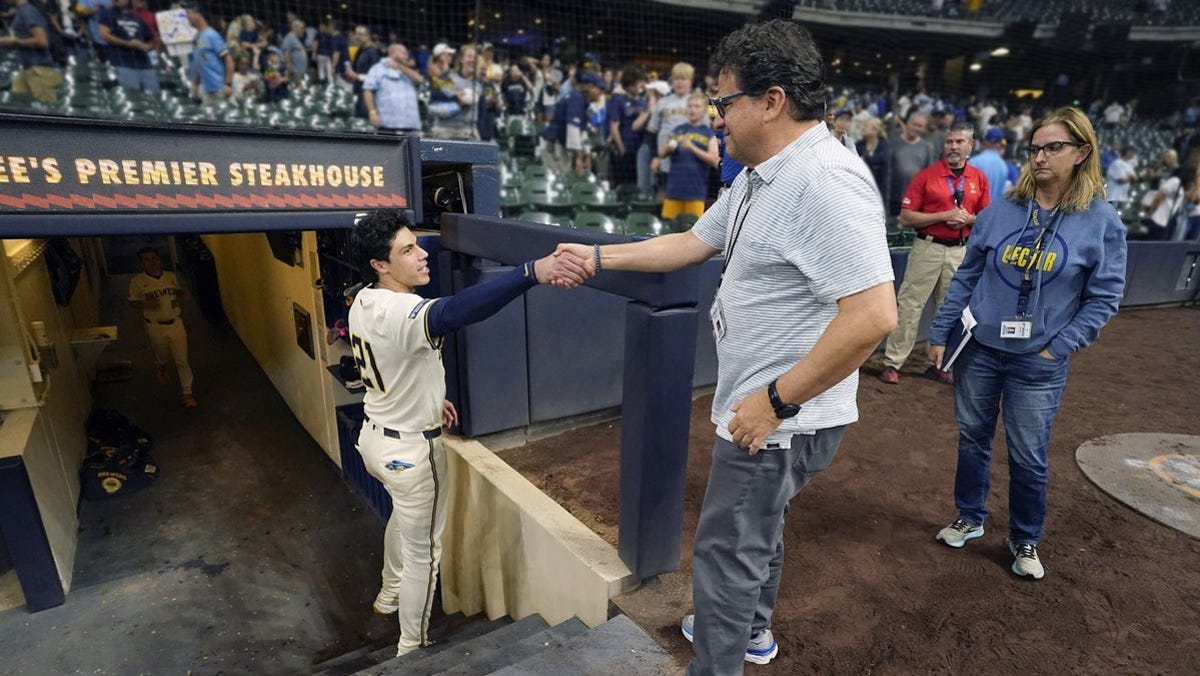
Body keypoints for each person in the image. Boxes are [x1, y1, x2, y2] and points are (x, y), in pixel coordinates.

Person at [554, 20, 897, 674]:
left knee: (726, 552)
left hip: (778, 418)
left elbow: (874, 315)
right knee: (755, 534)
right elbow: (689, 244)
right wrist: (597, 254)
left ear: (771, 102)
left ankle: (719, 660)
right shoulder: (762, 173)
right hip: (773, 411)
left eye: (724, 102)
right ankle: (752, 633)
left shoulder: (824, 179)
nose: (715, 117)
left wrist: (773, 403)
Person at [346, 209, 588, 658]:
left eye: (416, 243)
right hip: (411, 452)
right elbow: (457, 312)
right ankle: (410, 649)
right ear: (381, 265)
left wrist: (428, 396)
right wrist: (531, 272)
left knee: (401, 516)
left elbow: (396, 358)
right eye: (407, 250)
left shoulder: (363, 298)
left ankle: (388, 591)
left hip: (374, 439)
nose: (422, 255)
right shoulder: (402, 309)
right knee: (426, 553)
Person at [928, 106, 1127, 580]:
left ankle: (1024, 539)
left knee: (1028, 454)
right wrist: (940, 332)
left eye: (1053, 147)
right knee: (972, 439)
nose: (1040, 157)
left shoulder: (1100, 221)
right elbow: (966, 277)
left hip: (1038, 361)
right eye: (1034, 148)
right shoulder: (1002, 211)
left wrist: (1058, 346)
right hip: (979, 350)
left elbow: (1105, 297)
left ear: (1082, 152)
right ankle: (970, 516)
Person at [879, 122, 990, 385]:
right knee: (910, 305)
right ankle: (893, 362)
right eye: (949, 142)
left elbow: (986, 217)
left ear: (970, 146)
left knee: (949, 308)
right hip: (927, 246)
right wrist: (944, 215)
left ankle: (939, 364)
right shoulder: (926, 176)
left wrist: (967, 219)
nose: (953, 147)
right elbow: (905, 217)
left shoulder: (978, 178)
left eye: (959, 142)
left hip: (959, 251)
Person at [128, 247, 198, 409]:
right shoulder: (138, 281)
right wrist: (146, 304)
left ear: (159, 259)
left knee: (182, 359)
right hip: (155, 325)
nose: (152, 262)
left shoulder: (170, 276)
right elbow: (132, 301)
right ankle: (161, 365)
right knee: (164, 354)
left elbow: (177, 292)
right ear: (142, 263)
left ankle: (187, 392)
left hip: (175, 322)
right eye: (147, 259)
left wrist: (183, 294)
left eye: (154, 258)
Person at [658, 92, 719, 220]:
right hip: (674, 190)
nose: (692, 109)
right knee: (669, 230)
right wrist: (667, 149)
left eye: (696, 106)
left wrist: (692, 148)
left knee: (691, 228)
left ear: (704, 111)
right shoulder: (678, 130)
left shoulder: (709, 133)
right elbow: (662, 154)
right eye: (690, 106)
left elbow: (714, 160)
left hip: (695, 192)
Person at [0, 0, 64, 103]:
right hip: (27, 69)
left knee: (46, 111)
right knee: (17, 106)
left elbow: (42, 41)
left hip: (39, 71)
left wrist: (14, 42)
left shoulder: (27, 11)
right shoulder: (22, 11)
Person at [98, 0, 159, 94]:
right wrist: (128, 43)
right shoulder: (107, 13)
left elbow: (151, 40)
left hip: (145, 64)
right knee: (133, 98)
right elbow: (104, 35)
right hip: (123, 63)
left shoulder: (136, 17)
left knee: (154, 97)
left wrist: (146, 46)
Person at [363, 42, 423, 133]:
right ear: (393, 53)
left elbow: (419, 80)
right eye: (404, 53)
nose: (407, 56)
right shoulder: (378, 69)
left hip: (411, 124)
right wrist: (372, 113)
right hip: (388, 124)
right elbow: (368, 91)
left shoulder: (408, 70)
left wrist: (399, 66)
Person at [888, 110, 938, 216]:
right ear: (907, 124)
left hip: (915, 199)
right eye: (914, 124)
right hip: (893, 198)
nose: (916, 128)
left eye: (920, 126)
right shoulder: (893, 143)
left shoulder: (927, 147)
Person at [183, 2, 233, 104]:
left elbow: (229, 61)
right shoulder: (197, 38)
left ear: (198, 14)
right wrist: (196, 85)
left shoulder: (211, 35)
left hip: (221, 90)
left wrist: (228, 84)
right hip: (207, 92)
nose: (187, 17)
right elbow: (199, 63)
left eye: (189, 13)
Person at [855, 116, 890, 206]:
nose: (862, 128)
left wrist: (865, 159)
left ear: (875, 130)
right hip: (861, 190)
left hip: (880, 190)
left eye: (866, 126)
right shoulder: (858, 145)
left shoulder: (884, 145)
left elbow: (883, 159)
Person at [969, 127, 1010, 202]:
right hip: (994, 210)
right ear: (1000, 143)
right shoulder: (1003, 166)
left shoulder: (975, 161)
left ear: (985, 141)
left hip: (976, 211)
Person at [1105, 145, 1138, 212]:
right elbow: (1122, 180)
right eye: (1132, 152)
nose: (1134, 155)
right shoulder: (1117, 164)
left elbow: (1135, 178)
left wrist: (1129, 177)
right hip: (1113, 197)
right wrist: (1130, 177)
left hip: (1122, 197)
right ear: (1127, 152)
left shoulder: (1128, 165)